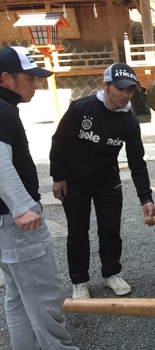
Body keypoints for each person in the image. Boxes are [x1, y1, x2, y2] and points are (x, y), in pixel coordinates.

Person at [50, 63, 155, 299]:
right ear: (105, 86)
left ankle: (111, 274)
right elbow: (59, 142)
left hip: (107, 181)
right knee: (78, 232)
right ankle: (79, 281)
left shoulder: (128, 121)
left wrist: (145, 197)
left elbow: (137, 162)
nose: (125, 95)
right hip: (75, 181)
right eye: (120, 89)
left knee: (110, 230)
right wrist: (58, 177)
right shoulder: (81, 108)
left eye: (130, 90)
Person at [0, 46, 79, 349]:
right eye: (30, 78)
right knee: (45, 295)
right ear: (6, 78)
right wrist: (21, 205)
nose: (36, 83)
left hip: (6, 221)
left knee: (18, 295)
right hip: (16, 222)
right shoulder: (2, 110)